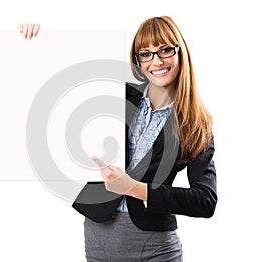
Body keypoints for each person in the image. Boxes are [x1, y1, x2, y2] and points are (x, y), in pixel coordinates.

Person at [19, 16, 217, 262]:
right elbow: (60, 80)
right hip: (99, 239)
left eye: (165, 50)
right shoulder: (116, 95)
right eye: (146, 54)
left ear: (180, 52)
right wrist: (38, 39)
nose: (156, 61)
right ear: (137, 61)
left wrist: (135, 189)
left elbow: (205, 201)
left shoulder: (196, 122)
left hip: (156, 247)